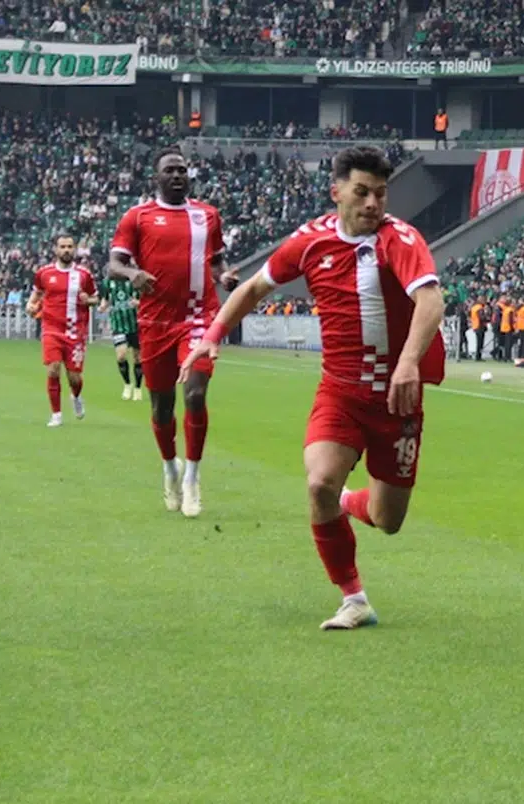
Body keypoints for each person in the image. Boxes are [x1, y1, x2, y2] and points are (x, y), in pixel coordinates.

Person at [181, 146, 446, 631]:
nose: (373, 204)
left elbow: (430, 300)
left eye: (380, 194)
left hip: (396, 399)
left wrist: (409, 362)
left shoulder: (400, 239)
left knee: (388, 519)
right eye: (362, 192)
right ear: (336, 192)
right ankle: (353, 598)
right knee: (319, 481)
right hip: (340, 393)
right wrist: (213, 335)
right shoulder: (309, 241)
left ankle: (348, 501)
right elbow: (253, 288)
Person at [108, 146, 239, 518]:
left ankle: (193, 478)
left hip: (199, 318)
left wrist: (224, 277)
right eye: (170, 170)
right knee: (161, 406)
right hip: (154, 322)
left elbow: (216, 261)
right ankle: (170, 468)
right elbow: (114, 264)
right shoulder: (138, 217)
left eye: (182, 169)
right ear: (157, 177)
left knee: (195, 394)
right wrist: (133, 273)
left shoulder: (207, 215)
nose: (178, 175)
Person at [25, 235, 97, 427]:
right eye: (63, 246)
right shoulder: (44, 273)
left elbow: (95, 298)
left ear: (75, 249)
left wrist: (88, 300)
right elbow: (37, 294)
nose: (66, 250)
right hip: (51, 329)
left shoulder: (84, 274)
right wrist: (30, 305)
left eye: (70, 246)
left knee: (74, 377)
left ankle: (76, 396)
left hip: (75, 331)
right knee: (53, 369)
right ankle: (56, 414)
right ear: (56, 249)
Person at [99, 275, 144, 401]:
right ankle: (127, 384)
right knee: (121, 355)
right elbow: (105, 299)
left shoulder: (135, 280)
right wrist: (102, 306)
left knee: (138, 358)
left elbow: (146, 301)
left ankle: (138, 388)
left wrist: (138, 303)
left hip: (136, 325)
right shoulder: (107, 282)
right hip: (118, 325)